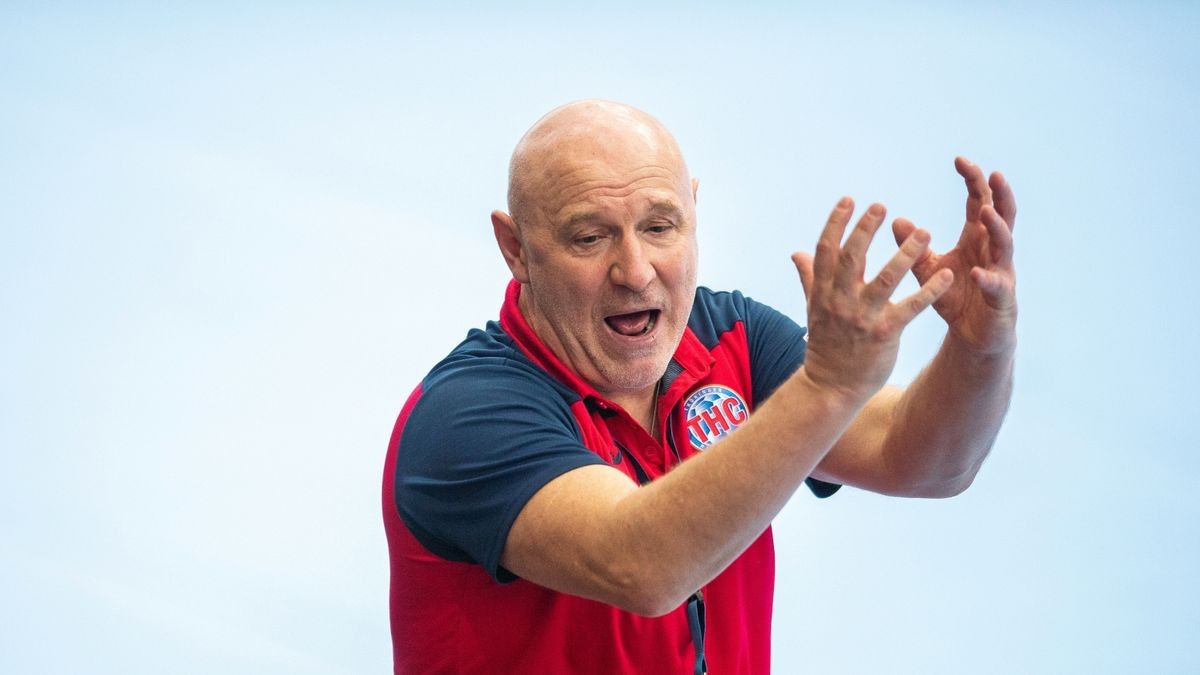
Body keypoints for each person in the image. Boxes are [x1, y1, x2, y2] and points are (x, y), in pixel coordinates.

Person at [382, 100, 1017, 673]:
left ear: (694, 212)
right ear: (514, 247)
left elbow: (931, 463)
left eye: (660, 227)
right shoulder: (464, 417)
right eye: (590, 237)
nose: (635, 272)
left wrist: (981, 346)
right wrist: (825, 386)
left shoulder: (733, 337)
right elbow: (640, 564)